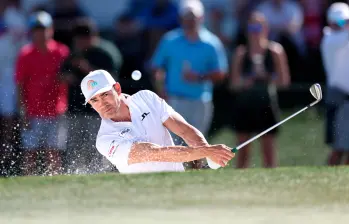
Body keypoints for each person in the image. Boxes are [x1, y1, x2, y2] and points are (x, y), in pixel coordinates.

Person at [80, 69, 234, 174]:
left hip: (179, 182)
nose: (102, 103)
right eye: (94, 100)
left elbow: (184, 130)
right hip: (145, 198)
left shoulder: (147, 98)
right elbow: (155, 153)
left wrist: (210, 153)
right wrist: (207, 151)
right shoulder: (105, 140)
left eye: (105, 94)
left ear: (117, 89)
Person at [151, 0, 228, 169]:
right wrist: (159, 87)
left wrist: (199, 77)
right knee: (173, 144)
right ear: (181, 18)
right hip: (173, 100)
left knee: (198, 145)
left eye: (193, 17)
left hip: (201, 101)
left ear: (201, 18)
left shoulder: (211, 43)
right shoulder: (170, 40)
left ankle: (194, 178)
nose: (190, 21)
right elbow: (157, 67)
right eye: (187, 17)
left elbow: (221, 73)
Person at [60, 18, 122, 174]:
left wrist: (86, 68)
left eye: (81, 39)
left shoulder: (105, 53)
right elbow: (62, 73)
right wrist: (67, 77)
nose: (79, 43)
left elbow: (112, 80)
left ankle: (100, 175)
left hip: (98, 112)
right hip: (75, 109)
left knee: (97, 148)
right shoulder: (74, 53)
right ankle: (73, 175)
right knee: (74, 149)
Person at [230, 12, 290, 168]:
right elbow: (233, 84)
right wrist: (246, 82)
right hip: (245, 105)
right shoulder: (241, 53)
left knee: (268, 152)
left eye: (258, 27)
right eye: (251, 28)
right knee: (242, 152)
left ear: (266, 29)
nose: (255, 32)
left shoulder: (275, 51)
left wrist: (267, 77)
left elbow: (284, 82)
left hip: (266, 105)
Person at [15, 11, 70, 176]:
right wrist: (22, 111)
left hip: (56, 110)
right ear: (32, 32)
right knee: (29, 152)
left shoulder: (61, 52)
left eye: (43, 29)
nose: (41, 33)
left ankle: (55, 182)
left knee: (53, 152)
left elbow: (67, 78)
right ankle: (27, 182)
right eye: (37, 29)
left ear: (51, 30)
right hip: (33, 112)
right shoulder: (25, 54)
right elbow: (20, 85)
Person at [320, 2, 349, 165]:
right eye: (340, 22)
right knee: (339, 148)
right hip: (340, 97)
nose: (343, 25)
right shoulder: (330, 39)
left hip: (344, 97)